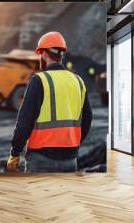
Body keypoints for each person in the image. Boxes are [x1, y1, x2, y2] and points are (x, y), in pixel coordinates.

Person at [6, 31, 92, 173]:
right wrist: (72, 144)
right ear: (61, 55)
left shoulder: (39, 81)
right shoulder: (78, 81)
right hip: (70, 161)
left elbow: (25, 121)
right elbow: (87, 119)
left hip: (41, 161)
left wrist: (15, 153)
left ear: (44, 54)